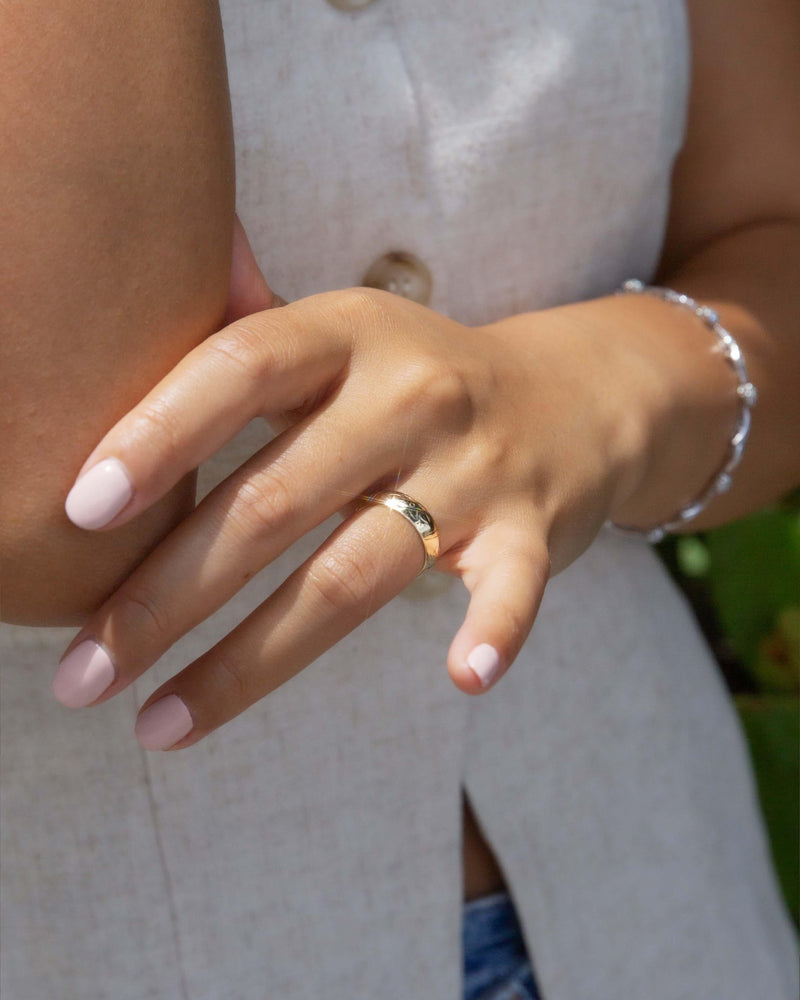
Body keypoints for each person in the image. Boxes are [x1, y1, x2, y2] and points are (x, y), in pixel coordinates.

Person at [1, 0, 798, 997]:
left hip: (653, 891)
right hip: (99, 938)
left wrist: (594, 393)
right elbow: (55, 503)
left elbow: (772, 240)